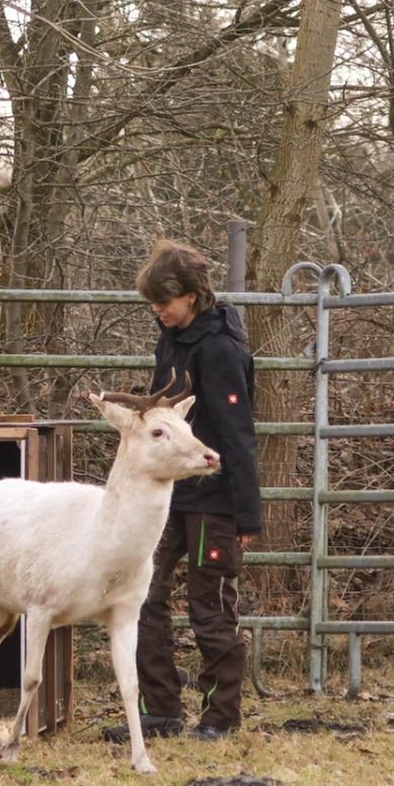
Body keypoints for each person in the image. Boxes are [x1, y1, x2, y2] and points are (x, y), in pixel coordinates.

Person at [105, 240, 261, 744]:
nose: (157, 310)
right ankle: (159, 709)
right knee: (144, 595)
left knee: (210, 604)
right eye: (151, 302)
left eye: (164, 302)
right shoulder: (169, 339)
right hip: (168, 493)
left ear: (192, 296)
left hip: (213, 499)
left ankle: (220, 717)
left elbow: (237, 433)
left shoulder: (220, 350)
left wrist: (246, 515)